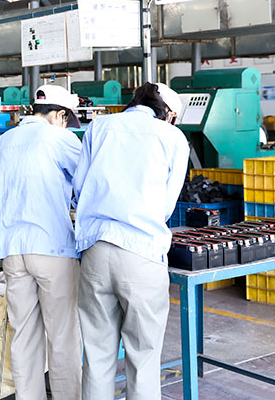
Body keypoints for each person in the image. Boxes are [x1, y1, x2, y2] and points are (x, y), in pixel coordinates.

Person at [73, 82, 189, 400]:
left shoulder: (100, 127)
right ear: (169, 114)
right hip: (142, 253)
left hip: (96, 250)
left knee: (97, 355)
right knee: (143, 356)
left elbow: (79, 188)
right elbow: (166, 206)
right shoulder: (172, 137)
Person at [0, 84, 84, 400]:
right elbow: (86, 187)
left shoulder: (3, 141)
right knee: (62, 336)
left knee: (23, 334)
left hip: (13, 250)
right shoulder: (61, 139)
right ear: (60, 115)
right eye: (67, 120)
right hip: (52, 248)